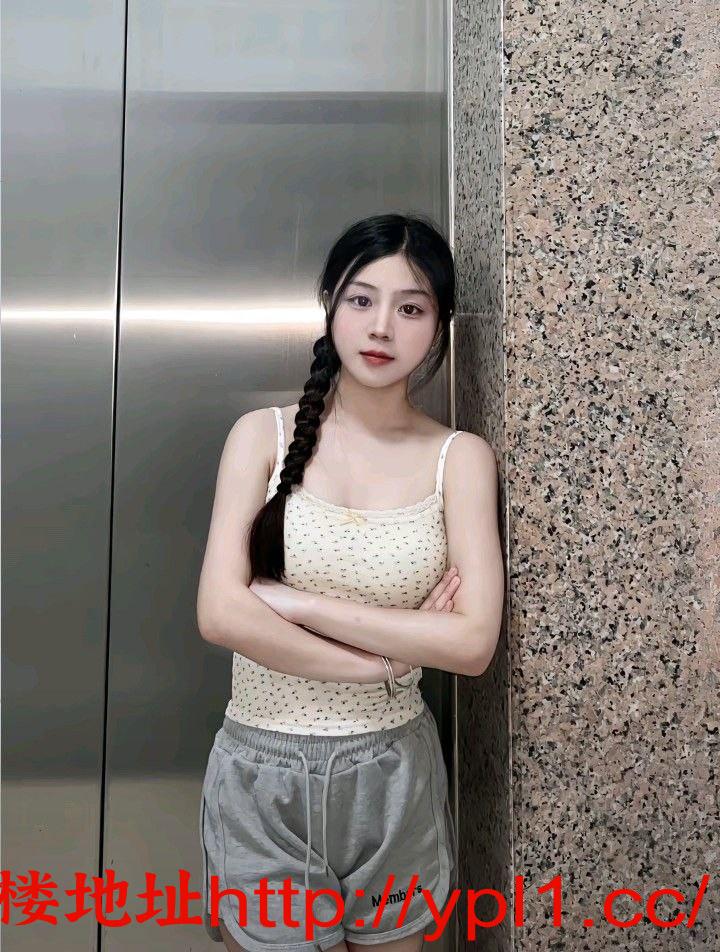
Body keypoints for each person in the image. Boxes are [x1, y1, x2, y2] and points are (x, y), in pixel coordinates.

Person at [196, 213, 505, 952]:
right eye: (362, 299)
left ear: (439, 326)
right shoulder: (261, 437)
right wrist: (387, 662)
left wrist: (301, 604)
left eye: (411, 308)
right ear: (330, 302)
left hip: (393, 774)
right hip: (261, 773)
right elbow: (221, 614)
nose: (382, 327)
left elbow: (471, 645)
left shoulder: (460, 458)